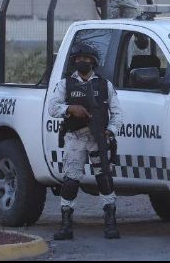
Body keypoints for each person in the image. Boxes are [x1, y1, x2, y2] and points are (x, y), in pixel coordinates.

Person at [48, 43, 123, 240]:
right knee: (71, 181)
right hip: (75, 137)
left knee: (104, 179)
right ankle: (66, 225)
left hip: (99, 138)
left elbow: (117, 113)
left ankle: (110, 224)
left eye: (87, 58)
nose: (83, 61)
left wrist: (110, 131)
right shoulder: (65, 84)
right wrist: (71, 108)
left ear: (94, 61)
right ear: (74, 61)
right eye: (79, 58)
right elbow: (52, 108)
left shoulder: (104, 85)